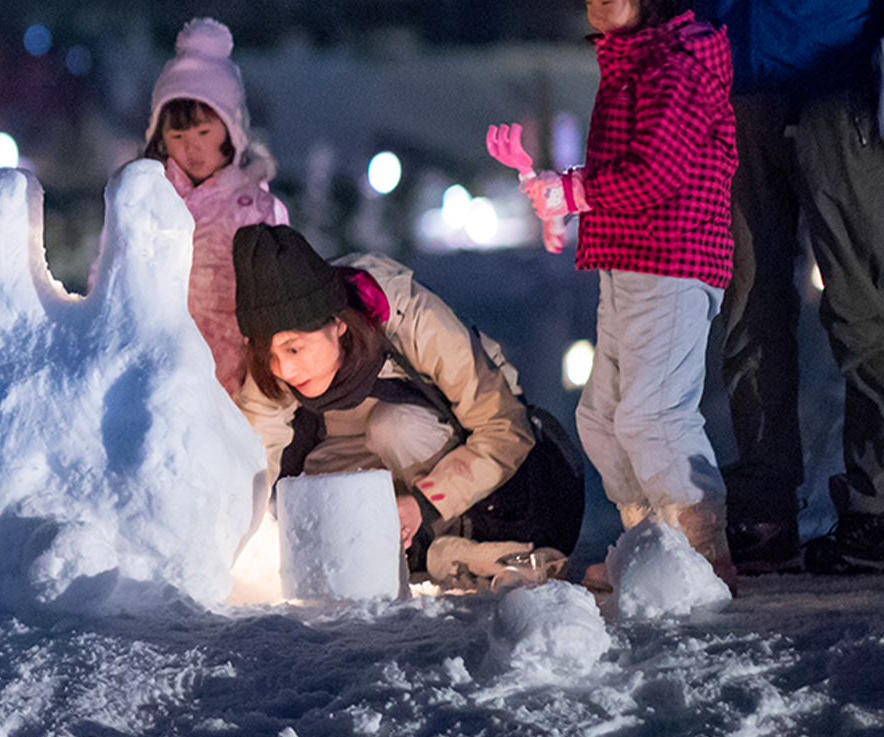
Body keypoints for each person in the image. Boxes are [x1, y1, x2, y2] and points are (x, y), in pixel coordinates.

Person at [517, 0, 738, 591]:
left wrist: (573, 192)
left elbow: (656, 171)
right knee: (601, 418)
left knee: (652, 413)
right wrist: (569, 196)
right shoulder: (634, 58)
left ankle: (701, 549)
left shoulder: (679, 60)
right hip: (629, 258)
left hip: (674, 257)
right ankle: (652, 547)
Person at [232, 223, 584, 588]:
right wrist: (226, 545)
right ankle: (427, 557)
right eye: (270, 353)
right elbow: (253, 455)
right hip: (354, 450)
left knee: (394, 427)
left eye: (294, 348)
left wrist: (424, 505)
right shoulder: (275, 357)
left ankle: (469, 544)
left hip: (462, 464)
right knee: (323, 503)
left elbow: (504, 427)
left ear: (336, 324)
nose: (284, 369)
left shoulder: (410, 319)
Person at [693, 0, 884, 574]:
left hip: (833, 81)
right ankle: (763, 506)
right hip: (737, 87)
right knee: (748, 307)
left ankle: (876, 502)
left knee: (861, 303)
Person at [142, 18, 288, 398]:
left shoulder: (255, 208)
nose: (192, 148)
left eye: (204, 132)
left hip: (240, 387)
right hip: (157, 382)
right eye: (177, 136)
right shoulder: (146, 203)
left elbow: (280, 304)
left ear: (231, 128)